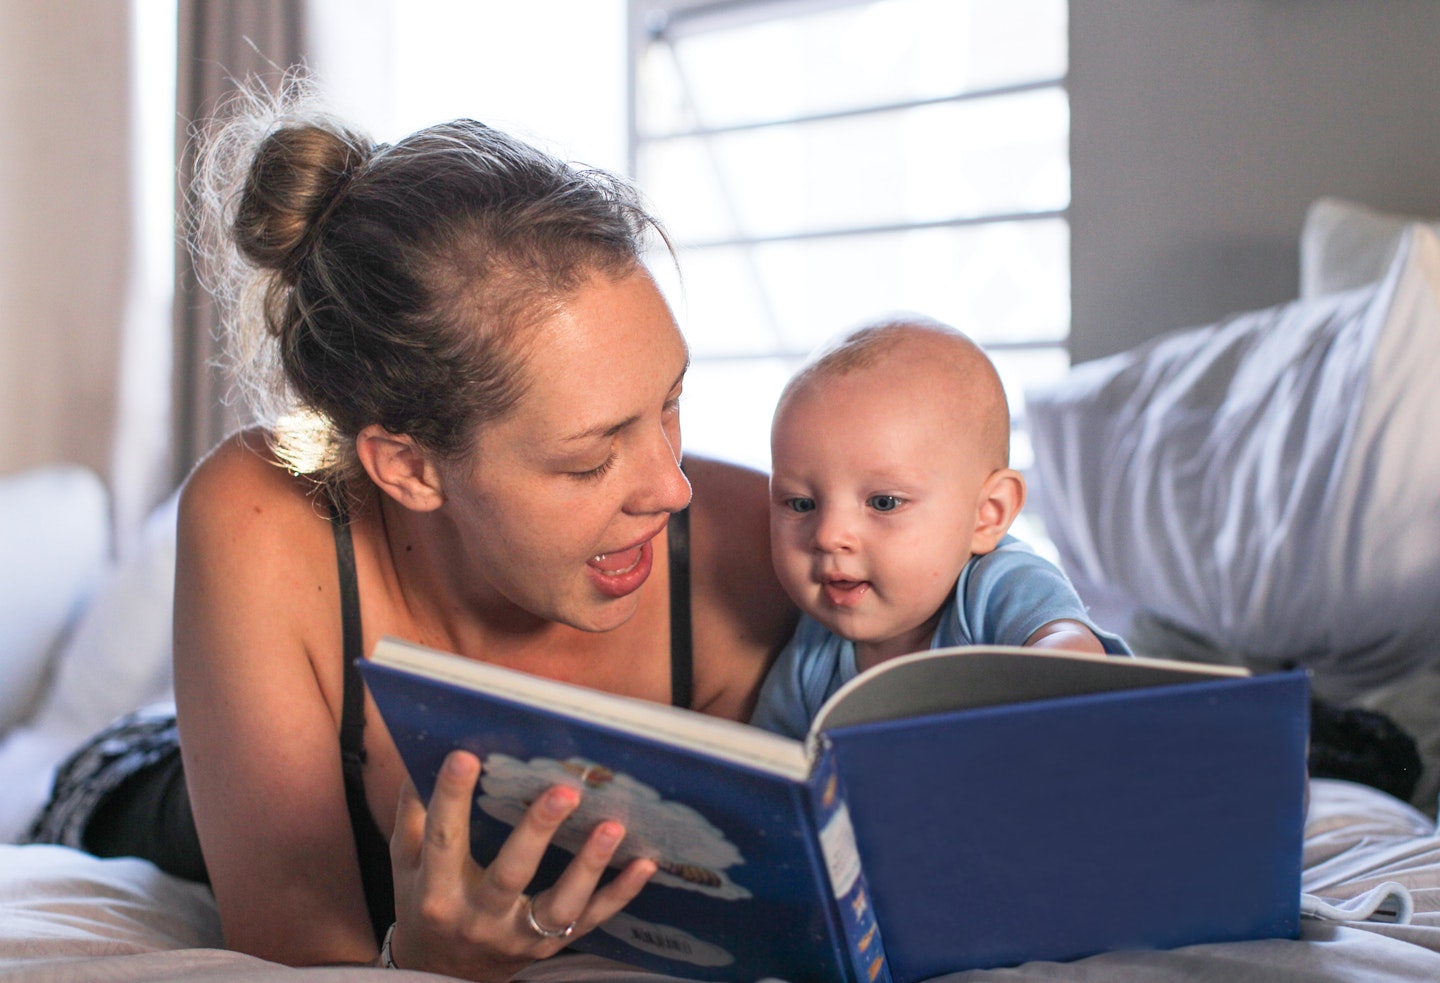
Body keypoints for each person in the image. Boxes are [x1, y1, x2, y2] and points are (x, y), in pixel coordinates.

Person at [26, 81, 796, 979]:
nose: (671, 486)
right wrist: (414, 963)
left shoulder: (758, 540)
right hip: (156, 791)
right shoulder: (255, 509)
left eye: (670, 405)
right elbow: (298, 939)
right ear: (410, 468)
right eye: (590, 461)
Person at [750, 318, 1129, 739]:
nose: (827, 536)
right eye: (802, 504)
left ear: (988, 514)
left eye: (884, 502)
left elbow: (1070, 650)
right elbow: (766, 761)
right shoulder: (812, 654)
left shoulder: (996, 586)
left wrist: (1045, 681)